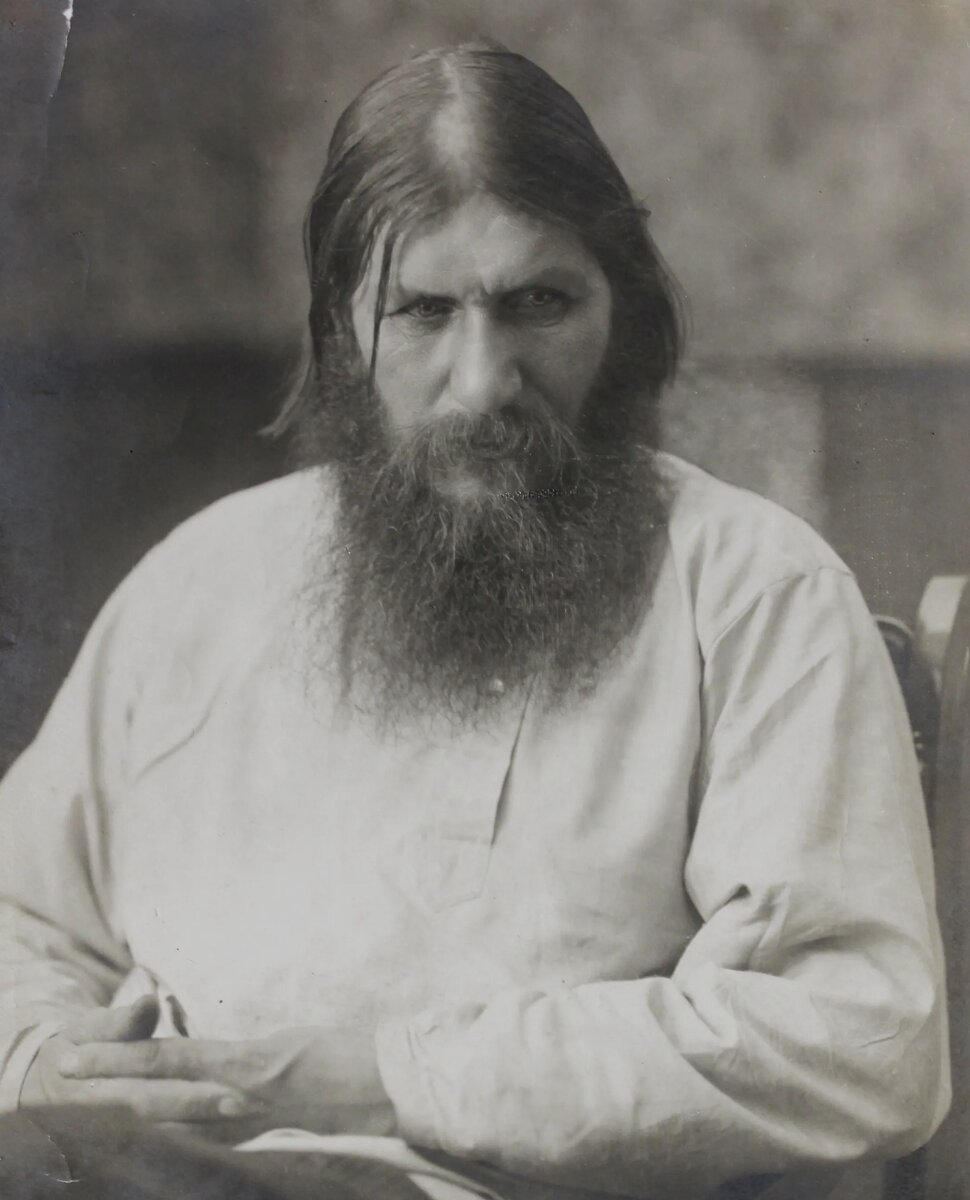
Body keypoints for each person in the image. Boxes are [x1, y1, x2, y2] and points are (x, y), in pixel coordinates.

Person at [0, 42, 949, 1200]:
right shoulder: (201, 582)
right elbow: (21, 916)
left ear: (623, 315)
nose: (482, 379)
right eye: (423, 313)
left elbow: (861, 1043)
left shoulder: (754, 592)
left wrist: (393, 1080)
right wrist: (40, 1057)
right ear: (343, 332)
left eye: (537, 304)